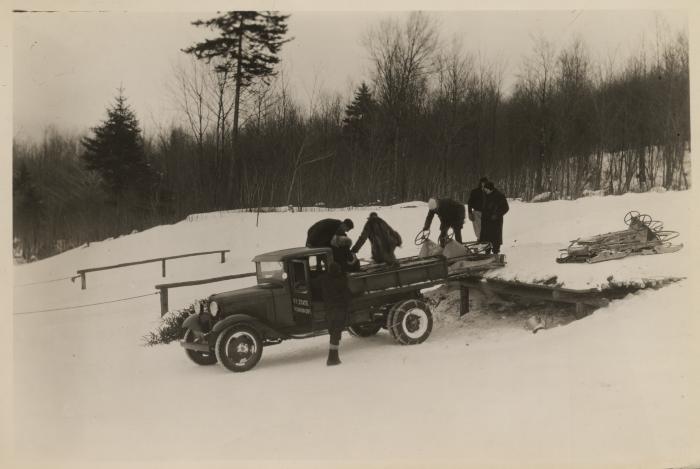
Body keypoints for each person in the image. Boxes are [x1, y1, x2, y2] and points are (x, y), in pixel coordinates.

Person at [320, 262, 352, 366]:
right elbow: (347, 295)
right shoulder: (341, 281)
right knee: (336, 333)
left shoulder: (324, 280)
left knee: (333, 332)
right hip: (339, 310)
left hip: (329, 310)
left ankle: (333, 357)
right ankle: (332, 358)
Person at [480, 181, 509, 255]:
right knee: (486, 239)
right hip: (486, 221)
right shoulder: (485, 195)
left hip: (495, 222)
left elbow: (506, 208)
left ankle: (496, 254)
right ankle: (487, 253)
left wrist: (497, 215)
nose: (485, 190)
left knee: (495, 238)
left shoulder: (499, 196)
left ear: (490, 189)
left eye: (486, 189)